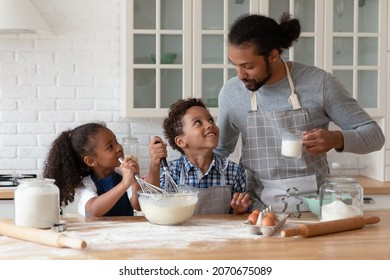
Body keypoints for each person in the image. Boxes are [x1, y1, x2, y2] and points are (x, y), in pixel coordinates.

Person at [214, 13, 385, 213]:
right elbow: (218, 152)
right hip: (256, 213)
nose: (240, 75)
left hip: (316, 210)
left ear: (273, 56)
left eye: (248, 66)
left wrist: (336, 139)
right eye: (235, 64)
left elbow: (375, 136)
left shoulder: (319, 83)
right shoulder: (232, 92)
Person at [147, 98, 252, 214]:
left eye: (210, 120)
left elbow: (241, 216)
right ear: (181, 141)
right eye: (198, 122)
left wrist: (239, 210)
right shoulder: (171, 172)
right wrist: (155, 162)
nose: (209, 125)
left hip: (218, 232)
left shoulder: (234, 171)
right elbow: (152, 203)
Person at [43, 122, 141, 217]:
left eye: (116, 141)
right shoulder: (86, 183)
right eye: (110, 146)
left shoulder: (123, 175)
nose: (119, 148)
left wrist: (134, 180)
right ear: (90, 161)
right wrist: (124, 183)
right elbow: (94, 210)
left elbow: (138, 205)